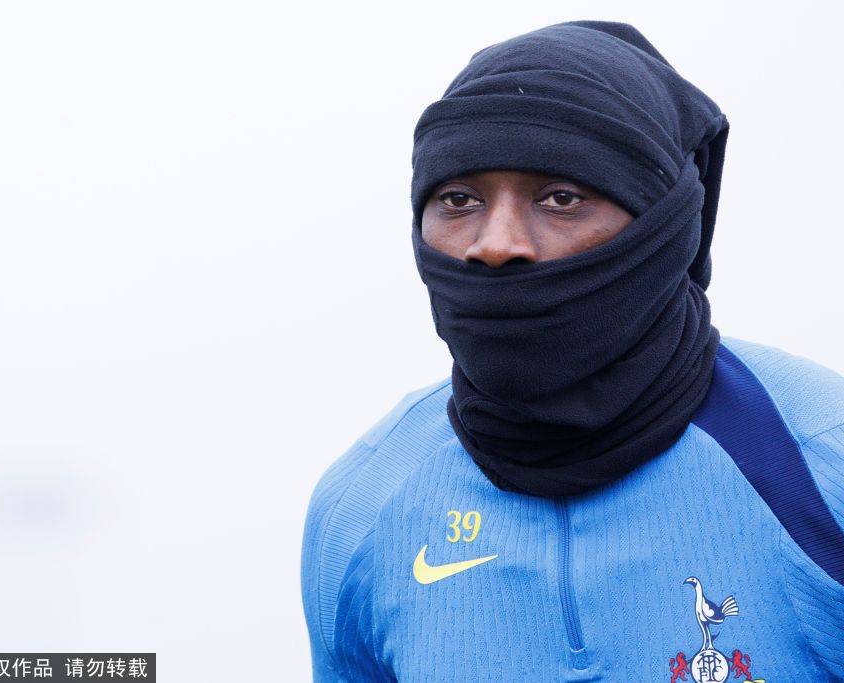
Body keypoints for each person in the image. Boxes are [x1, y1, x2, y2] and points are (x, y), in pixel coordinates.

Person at [300, 19, 844, 682]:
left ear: (664, 225)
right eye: (458, 199)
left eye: (561, 197)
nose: (495, 243)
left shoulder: (819, 461)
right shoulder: (361, 510)